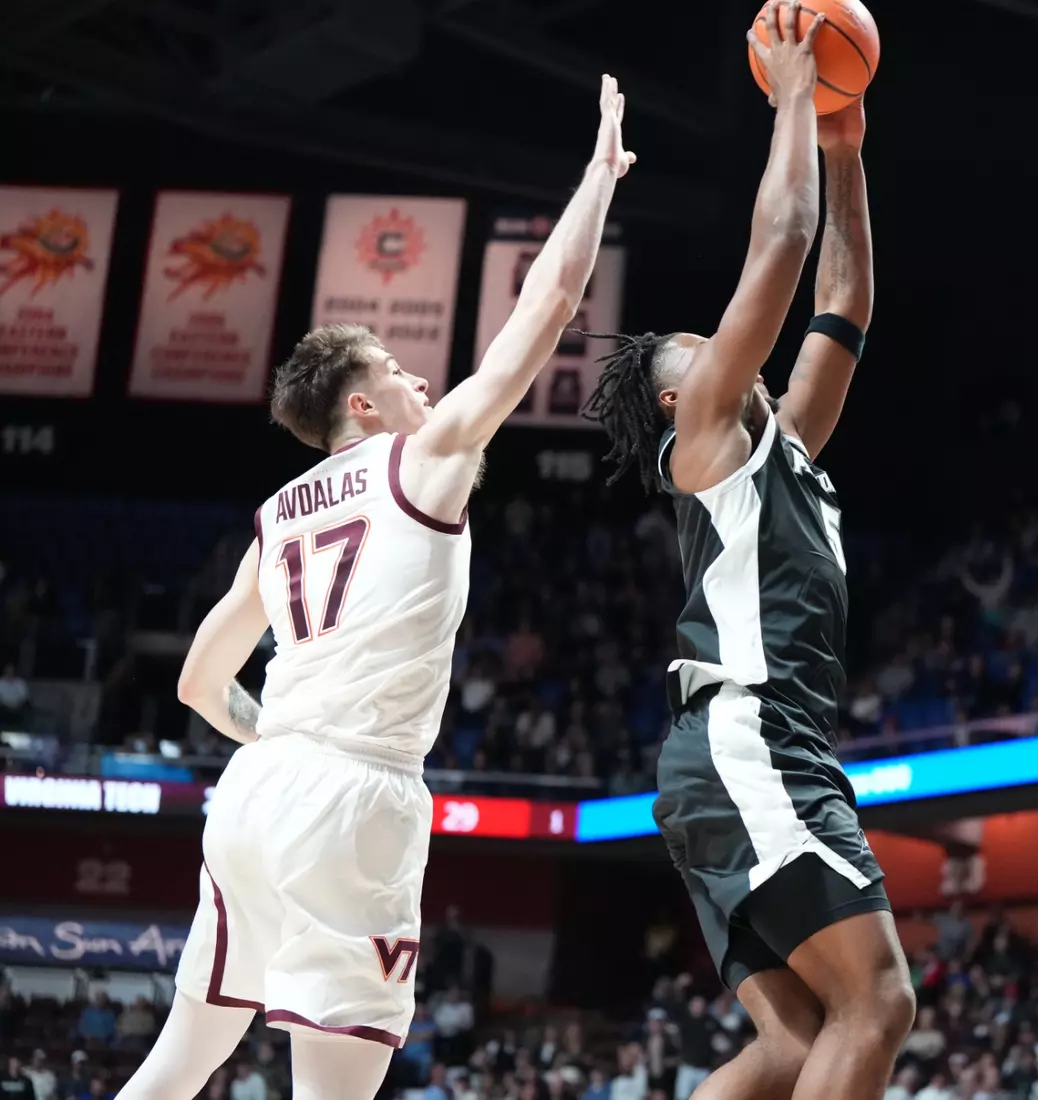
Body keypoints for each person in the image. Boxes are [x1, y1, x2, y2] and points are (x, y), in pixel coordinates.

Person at [118, 79, 633, 1100]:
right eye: (399, 370)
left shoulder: (274, 516)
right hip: (355, 795)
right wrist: (598, 173)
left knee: (177, 1063)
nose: (421, 382)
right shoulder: (421, 457)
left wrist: (276, 743)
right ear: (363, 402)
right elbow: (550, 304)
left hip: (257, 797)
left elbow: (196, 682)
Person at [583, 5, 914, 1100]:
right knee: (878, 1001)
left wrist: (844, 143)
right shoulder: (707, 432)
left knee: (794, 1041)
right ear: (683, 391)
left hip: (743, 746)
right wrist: (788, 92)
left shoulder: (786, 445)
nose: (730, 341)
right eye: (706, 340)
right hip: (748, 729)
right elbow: (781, 245)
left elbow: (845, 293)